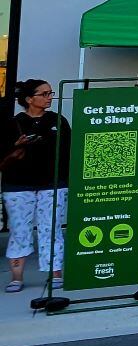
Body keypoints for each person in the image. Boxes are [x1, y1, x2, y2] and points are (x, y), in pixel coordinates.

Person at [0, 80, 70, 291]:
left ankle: (55, 272)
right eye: (44, 93)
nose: (50, 97)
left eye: (51, 93)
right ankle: (16, 276)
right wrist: (16, 146)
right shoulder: (13, 123)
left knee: (52, 228)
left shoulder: (57, 120)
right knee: (20, 230)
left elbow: (69, 149)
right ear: (30, 99)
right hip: (18, 184)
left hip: (53, 183)